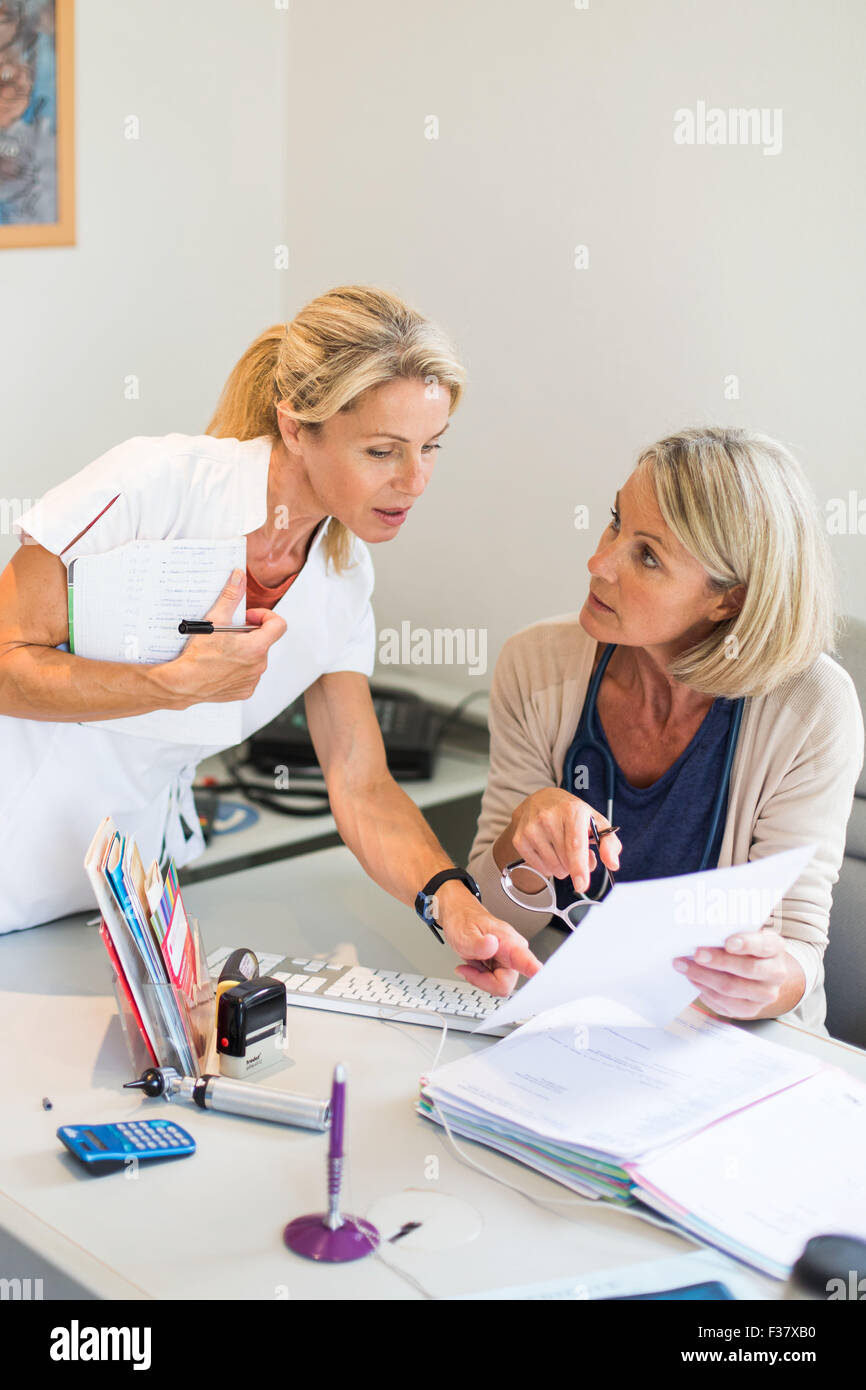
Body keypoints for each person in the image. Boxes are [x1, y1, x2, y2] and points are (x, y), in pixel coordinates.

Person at [0, 284, 539, 995]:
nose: (415, 481)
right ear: (294, 427)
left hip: (116, 884)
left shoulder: (344, 577)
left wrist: (452, 903)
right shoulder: (155, 487)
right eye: (382, 451)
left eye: (430, 447)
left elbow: (360, 781)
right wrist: (170, 684)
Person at [468, 426, 864, 1031]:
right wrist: (520, 838)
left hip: (727, 1044)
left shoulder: (814, 708)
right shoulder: (536, 665)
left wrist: (764, 978)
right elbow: (491, 924)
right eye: (615, 521)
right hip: (563, 1030)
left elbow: (798, 951)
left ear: (728, 601)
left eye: (648, 556)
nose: (598, 562)